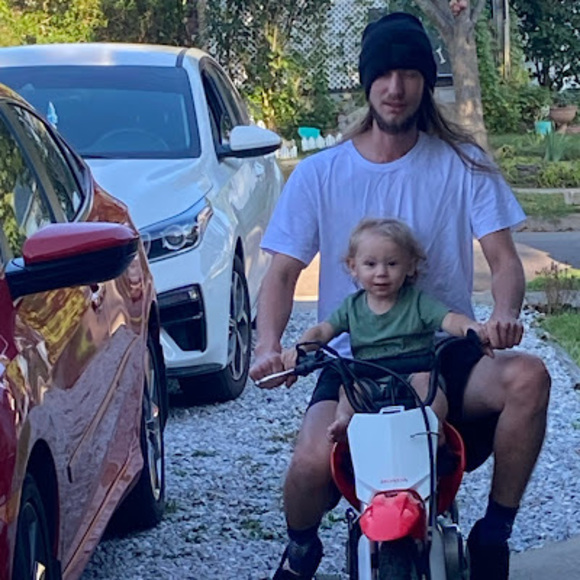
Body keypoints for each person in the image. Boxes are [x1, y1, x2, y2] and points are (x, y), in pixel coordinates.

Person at [250, 11, 551, 580]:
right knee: (309, 465)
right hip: (354, 362)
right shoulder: (318, 174)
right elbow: (282, 273)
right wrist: (269, 348)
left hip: (443, 356)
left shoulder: (464, 164)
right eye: (384, 74)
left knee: (529, 377)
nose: (396, 87)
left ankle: (494, 532)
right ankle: (301, 548)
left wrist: (504, 314)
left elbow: (504, 260)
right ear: (366, 82)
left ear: (426, 82)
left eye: (410, 73)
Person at [281, 217, 492, 445]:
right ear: (353, 267)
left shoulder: (417, 302)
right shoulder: (352, 307)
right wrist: (301, 348)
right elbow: (323, 331)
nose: (381, 272)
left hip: (414, 370)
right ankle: (344, 423)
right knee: (350, 391)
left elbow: (449, 319)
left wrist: (470, 328)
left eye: (392, 264)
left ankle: (433, 424)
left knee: (427, 383)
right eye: (370, 264)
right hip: (369, 375)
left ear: (410, 266)